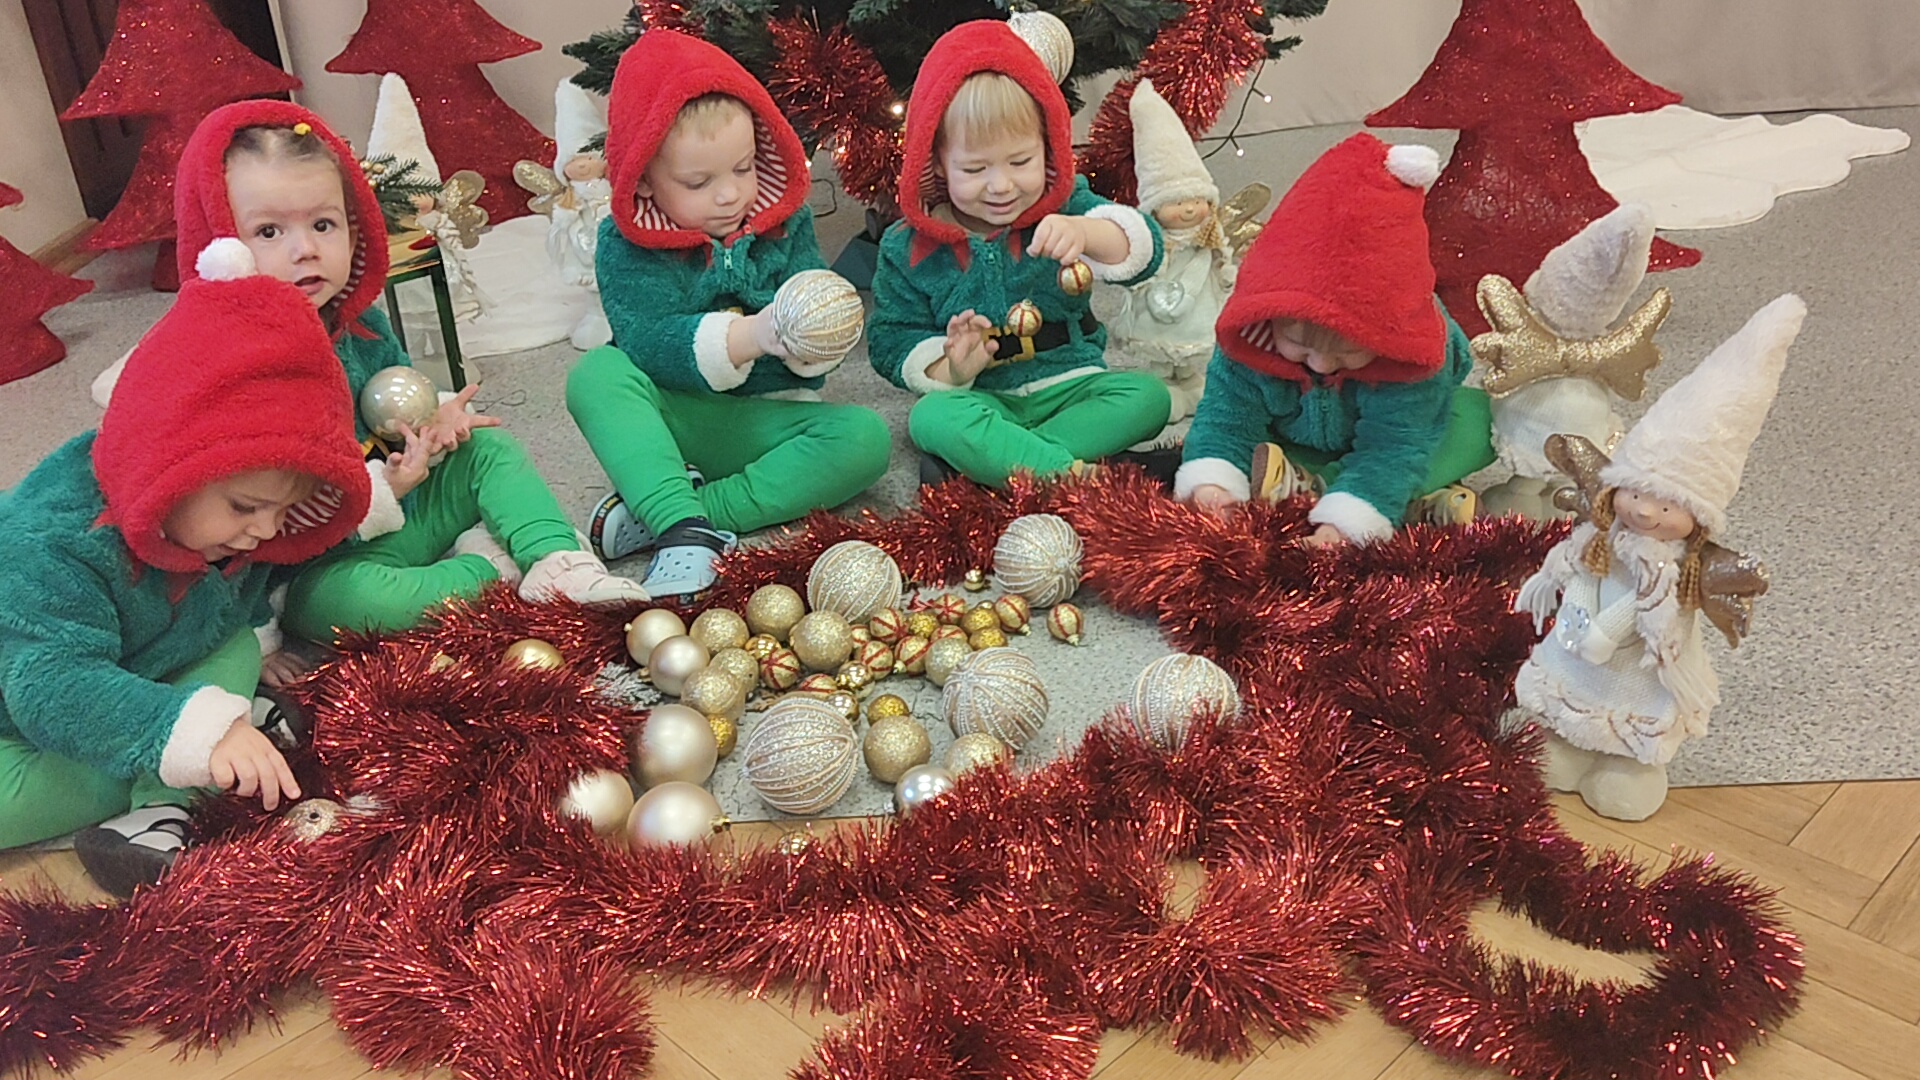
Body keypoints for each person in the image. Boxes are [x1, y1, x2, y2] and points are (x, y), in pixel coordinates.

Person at [168, 101, 646, 643]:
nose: (305, 250)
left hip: (409, 504)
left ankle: (555, 558)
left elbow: (398, 396)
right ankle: (492, 569)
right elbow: (248, 520)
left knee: (488, 448)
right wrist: (382, 488)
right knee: (352, 606)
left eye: (323, 224)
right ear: (222, 248)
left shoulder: (360, 326)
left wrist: (434, 421)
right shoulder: (233, 372)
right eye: (269, 232)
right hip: (322, 561)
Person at [0, 247, 371, 895]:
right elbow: (49, 687)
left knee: (233, 644)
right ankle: (180, 768)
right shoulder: (52, 542)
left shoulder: (223, 525)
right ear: (171, 470)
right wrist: (190, 731)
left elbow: (240, 593)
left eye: (281, 511)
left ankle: (158, 808)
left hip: (132, 665)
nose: (264, 530)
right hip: (27, 710)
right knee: (75, 778)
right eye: (245, 507)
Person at [568, 29, 890, 600]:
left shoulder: (787, 223)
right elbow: (647, 340)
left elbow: (813, 326)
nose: (729, 195)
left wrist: (817, 336)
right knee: (596, 373)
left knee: (865, 438)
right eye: (699, 182)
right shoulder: (625, 244)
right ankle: (676, 517)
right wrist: (748, 335)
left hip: (766, 420)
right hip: (675, 416)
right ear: (644, 179)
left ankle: (684, 514)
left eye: (743, 169)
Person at [1515, 295, 1805, 820]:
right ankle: (1567, 740)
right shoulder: (1601, 536)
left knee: (1629, 700)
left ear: (1698, 518)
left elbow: (1645, 605)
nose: (1645, 511)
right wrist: (1577, 607)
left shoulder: (1673, 569)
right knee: (1569, 689)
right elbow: (1584, 570)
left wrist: (1607, 631)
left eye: (1668, 504)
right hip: (1578, 645)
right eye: (1634, 492)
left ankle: (1625, 763)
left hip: (1634, 661)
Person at [866, 19, 1171, 488]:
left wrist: (1086, 232)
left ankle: (1008, 466)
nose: (1001, 186)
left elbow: (1145, 249)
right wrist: (949, 366)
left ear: (1046, 149)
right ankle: (1068, 476)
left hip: (1070, 384)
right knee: (931, 418)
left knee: (1149, 397)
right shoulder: (906, 247)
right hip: (984, 398)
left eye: (1021, 161)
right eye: (974, 169)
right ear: (937, 164)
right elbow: (890, 340)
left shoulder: (1065, 205)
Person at [1176, 133, 1493, 544]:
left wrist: (1343, 528)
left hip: (1394, 443)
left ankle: (1320, 488)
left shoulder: (1413, 357)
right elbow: (1225, 420)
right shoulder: (1250, 340)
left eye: (1349, 350)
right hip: (1292, 444)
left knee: (1479, 420)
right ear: (1270, 316)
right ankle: (1415, 504)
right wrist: (1212, 484)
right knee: (1246, 446)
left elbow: (1395, 447)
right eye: (1299, 345)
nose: (1321, 364)